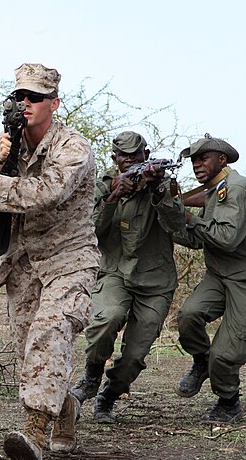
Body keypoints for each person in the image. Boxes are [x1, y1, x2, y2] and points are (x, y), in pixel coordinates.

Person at [0, 63, 99, 460]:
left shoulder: (73, 148)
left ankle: (35, 432)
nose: (25, 103)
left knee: (50, 332)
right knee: (29, 350)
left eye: (34, 97)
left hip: (69, 259)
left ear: (53, 103)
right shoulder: (4, 141)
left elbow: (44, 193)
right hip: (22, 263)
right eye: (19, 96)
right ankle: (66, 406)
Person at [151, 134, 246, 423]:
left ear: (222, 159)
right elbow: (196, 240)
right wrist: (167, 209)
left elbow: (226, 238)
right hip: (222, 273)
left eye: (203, 158)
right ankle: (201, 361)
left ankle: (228, 400)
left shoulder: (235, 189)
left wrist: (187, 217)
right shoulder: (213, 191)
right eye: (194, 160)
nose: (197, 164)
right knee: (189, 316)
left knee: (224, 355)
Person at [70, 132, 181, 423]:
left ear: (146, 154)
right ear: (115, 159)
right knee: (106, 318)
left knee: (135, 355)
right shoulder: (100, 187)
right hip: (114, 271)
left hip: (155, 280)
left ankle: (108, 397)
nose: (130, 160)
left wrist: (158, 192)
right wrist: (113, 196)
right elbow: (89, 233)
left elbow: (179, 228)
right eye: (123, 156)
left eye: (136, 155)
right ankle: (91, 376)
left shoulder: (165, 185)